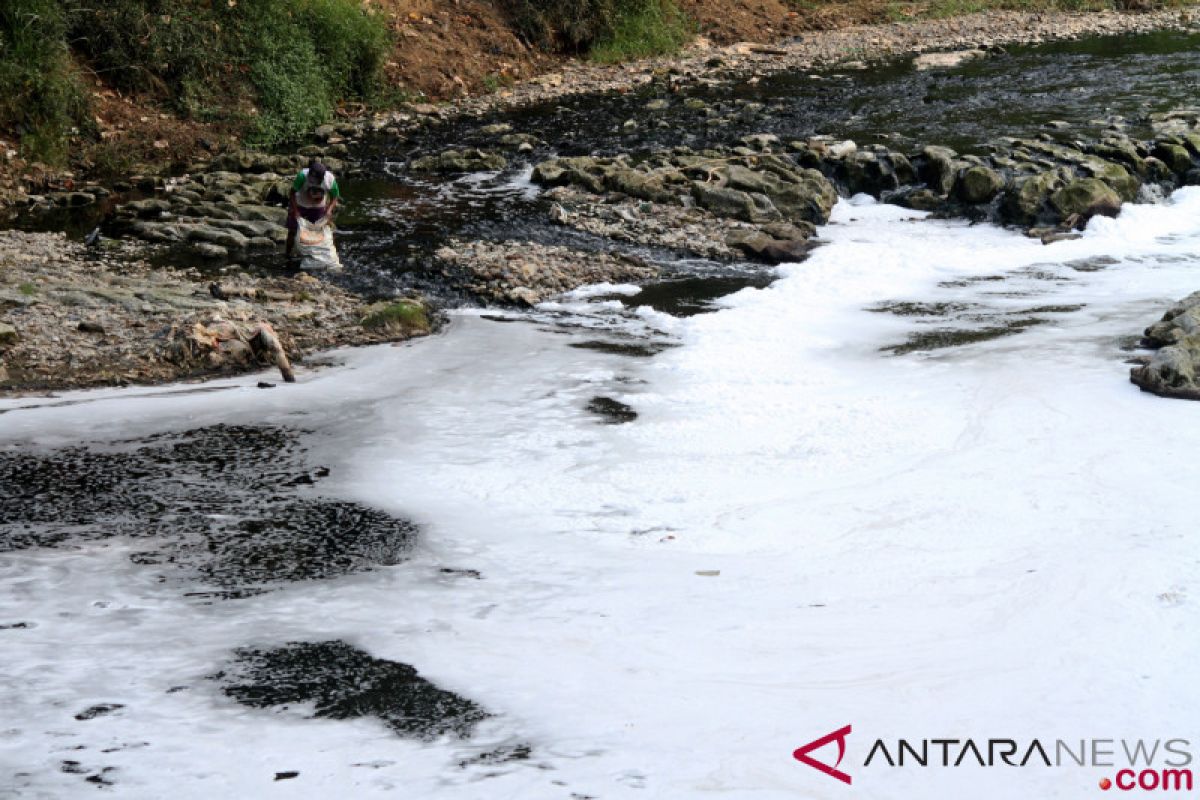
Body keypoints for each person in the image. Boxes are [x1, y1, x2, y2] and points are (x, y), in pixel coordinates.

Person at [285, 160, 340, 259]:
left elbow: (335, 196)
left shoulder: (329, 179)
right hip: (300, 203)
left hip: (318, 207)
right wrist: (295, 210)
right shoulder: (302, 176)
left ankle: (324, 256)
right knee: (292, 231)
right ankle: (287, 255)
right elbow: (292, 193)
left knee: (321, 232)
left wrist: (329, 209)